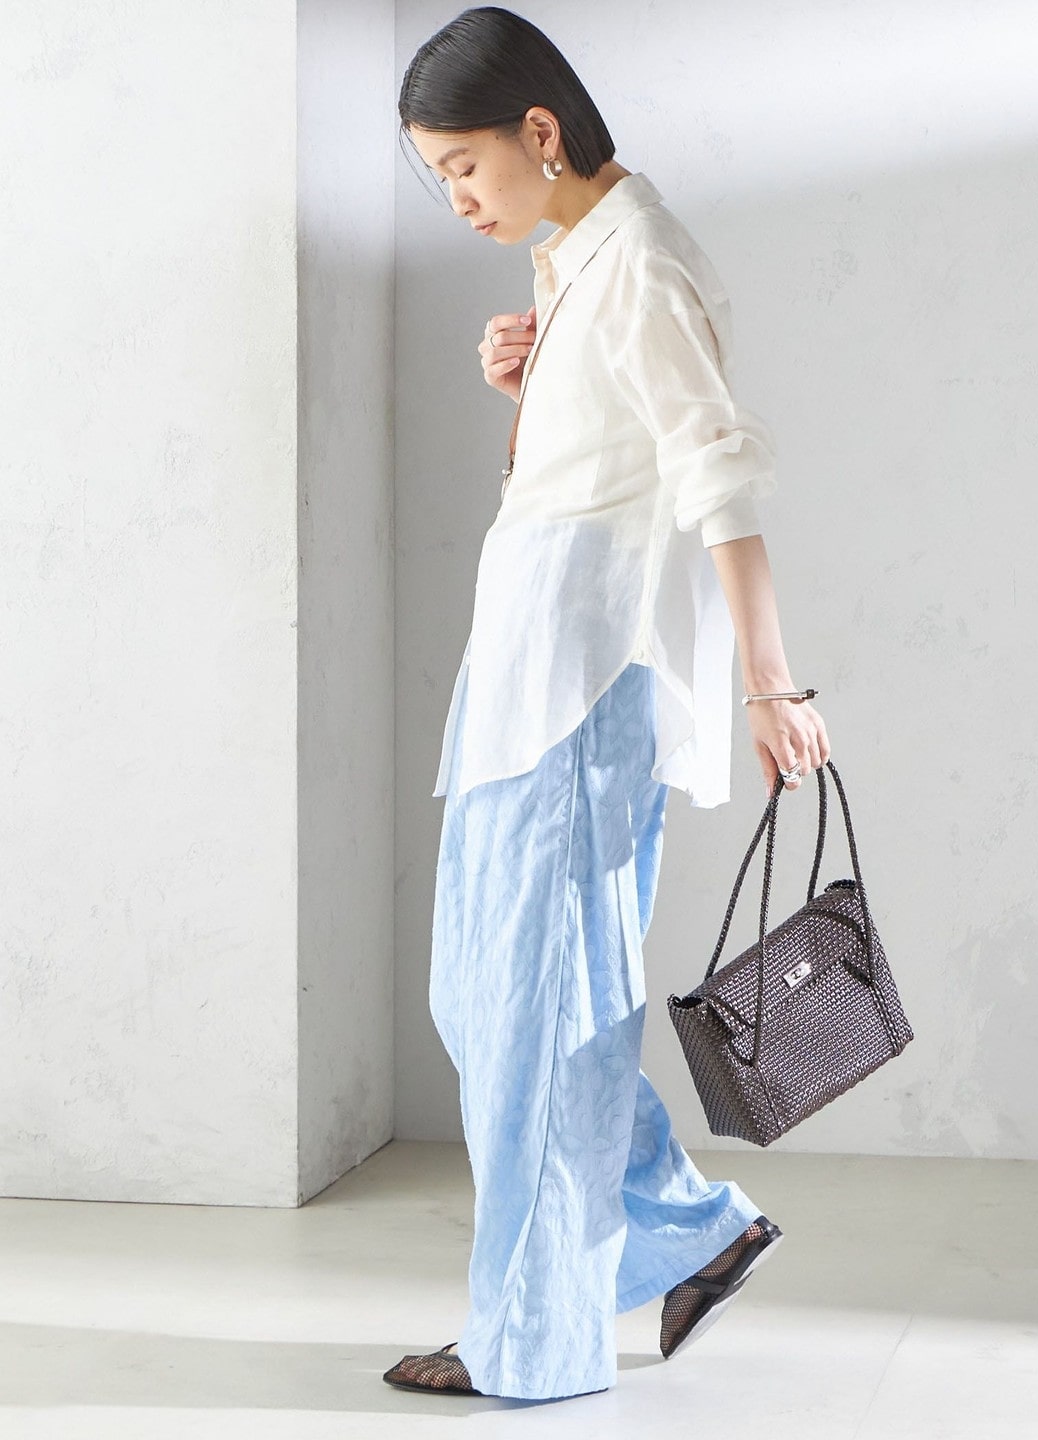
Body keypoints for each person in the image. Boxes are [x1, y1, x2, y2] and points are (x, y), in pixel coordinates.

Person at [386, 5, 831, 1403]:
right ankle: (696, 1228)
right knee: (485, 1002)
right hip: (518, 678)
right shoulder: (573, 255)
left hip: (581, 694)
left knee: (540, 1015)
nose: (456, 199)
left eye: (463, 166)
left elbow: (717, 476)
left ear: (540, 131)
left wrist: (770, 679)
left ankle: (537, 1343)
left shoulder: (638, 261)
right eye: (437, 178)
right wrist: (532, 390)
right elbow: (591, 473)